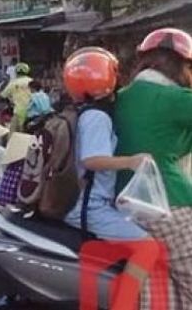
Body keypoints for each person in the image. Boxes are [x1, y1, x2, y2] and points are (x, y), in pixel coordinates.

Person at [114, 28, 192, 307]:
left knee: (165, 296)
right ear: (181, 66)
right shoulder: (175, 98)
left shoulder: (122, 97)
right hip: (170, 204)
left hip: (127, 207)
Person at [61, 47, 149, 240]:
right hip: (90, 206)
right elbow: (92, 160)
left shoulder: (80, 111)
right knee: (149, 247)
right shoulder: (97, 117)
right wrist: (131, 162)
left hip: (85, 202)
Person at [0, 62, 33, 132]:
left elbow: (2, 95)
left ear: (16, 72)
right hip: (31, 111)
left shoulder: (13, 82)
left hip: (19, 111)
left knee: (12, 133)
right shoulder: (31, 81)